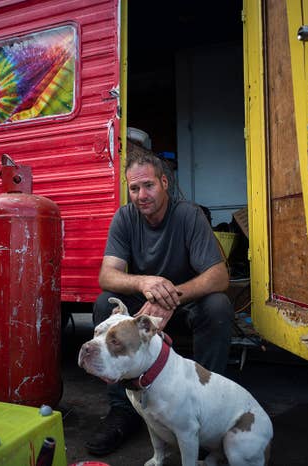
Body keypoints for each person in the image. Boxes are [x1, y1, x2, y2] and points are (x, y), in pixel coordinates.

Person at [85, 148, 234, 456]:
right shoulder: (125, 217)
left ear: (165, 183)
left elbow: (219, 276)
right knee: (103, 303)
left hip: (184, 305)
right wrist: (143, 282)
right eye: (134, 188)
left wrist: (172, 296)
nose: (141, 194)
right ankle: (123, 410)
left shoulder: (188, 215)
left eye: (149, 185)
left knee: (218, 306)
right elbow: (107, 275)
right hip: (144, 308)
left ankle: (206, 405)